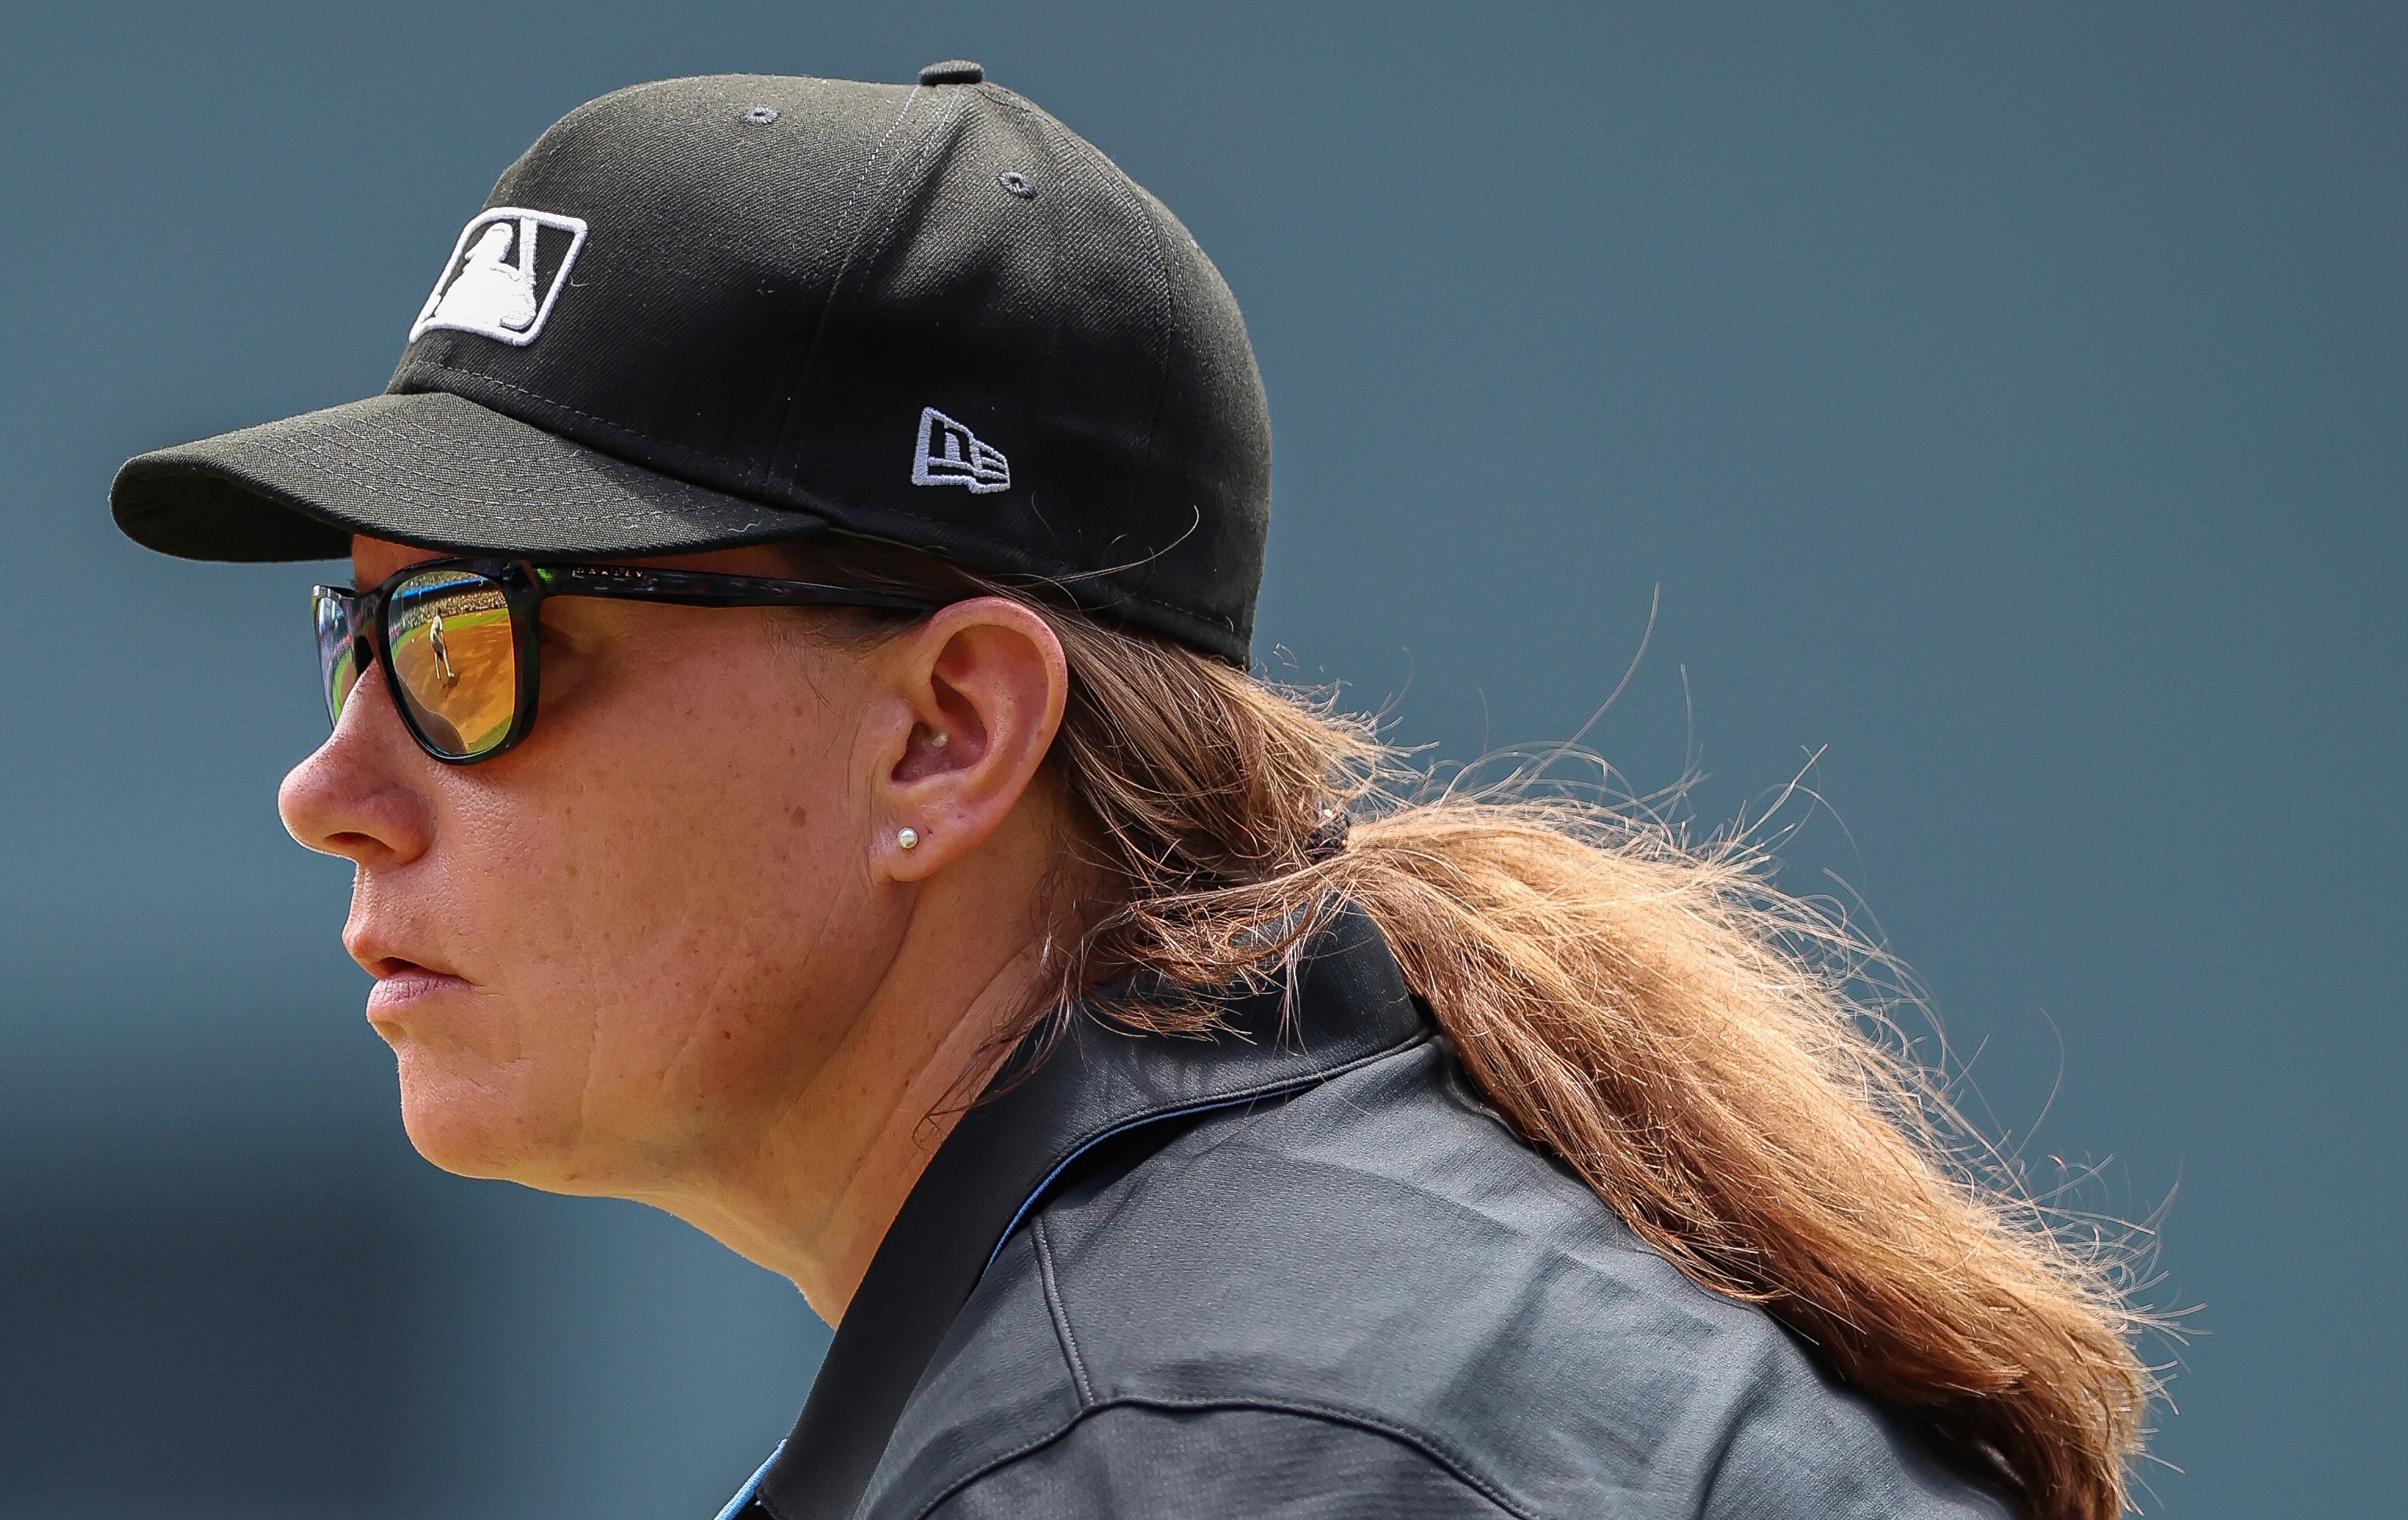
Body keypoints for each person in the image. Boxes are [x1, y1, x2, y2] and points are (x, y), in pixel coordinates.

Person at [111, 61, 2152, 1520]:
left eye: (467, 646)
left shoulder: (1182, 1446)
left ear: (946, 731)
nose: (335, 784)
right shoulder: (1248, 1333)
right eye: (350, 641)